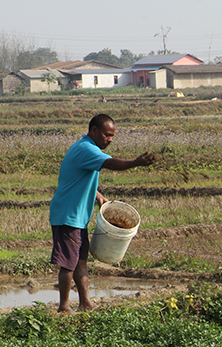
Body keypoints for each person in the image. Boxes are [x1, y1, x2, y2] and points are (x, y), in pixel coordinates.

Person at [49, 114, 157, 313]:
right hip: (68, 216)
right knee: (68, 263)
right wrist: (135, 163)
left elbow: (79, 177)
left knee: (81, 260)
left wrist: (97, 196)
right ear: (94, 131)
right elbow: (111, 163)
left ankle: (85, 302)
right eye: (107, 135)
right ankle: (64, 307)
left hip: (78, 216)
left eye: (112, 136)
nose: (110, 139)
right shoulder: (86, 149)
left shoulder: (85, 149)